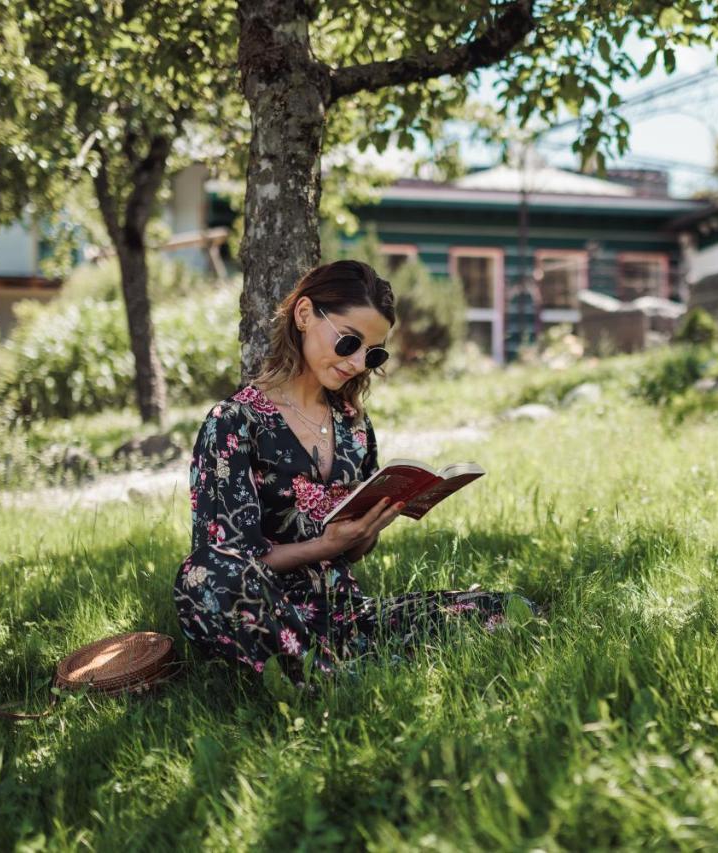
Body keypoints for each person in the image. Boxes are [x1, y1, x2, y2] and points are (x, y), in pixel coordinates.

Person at [172, 260, 539, 683]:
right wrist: (323, 547)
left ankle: (333, 671)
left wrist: (364, 534)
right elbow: (227, 560)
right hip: (265, 612)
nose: (358, 362)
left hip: (346, 613)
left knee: (503, 607)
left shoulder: (353, 426)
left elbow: (350, 551)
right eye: (349, 342)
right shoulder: (234, 422)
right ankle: (323, 673)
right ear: (305, 314)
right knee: (203, 579)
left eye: (373, 353)